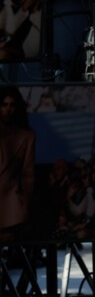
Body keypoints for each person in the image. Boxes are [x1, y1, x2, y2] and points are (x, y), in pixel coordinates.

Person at [0, 86, 35, 241]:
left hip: (11, 207)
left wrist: (23, 204)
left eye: (12, 105)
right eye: (4, 105)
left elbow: (28, 175)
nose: (8, 109)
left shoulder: (27, 137)